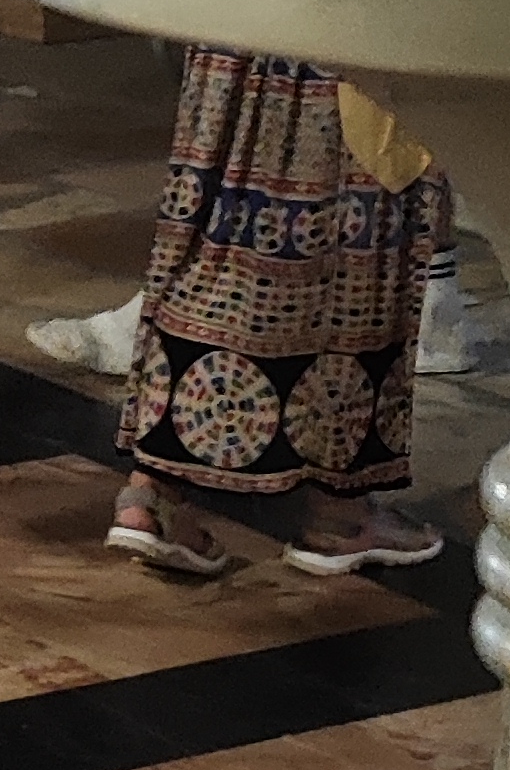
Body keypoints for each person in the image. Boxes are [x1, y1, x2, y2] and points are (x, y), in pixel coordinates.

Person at [104, 48, 447, 579]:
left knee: (212, 237)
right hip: (346, 47)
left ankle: (151, 497)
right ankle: (340, 515)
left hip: (239, 33)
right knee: (349, 264)